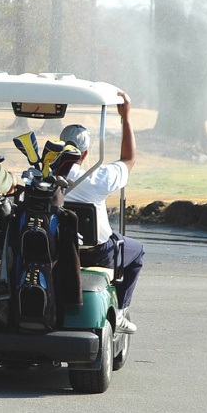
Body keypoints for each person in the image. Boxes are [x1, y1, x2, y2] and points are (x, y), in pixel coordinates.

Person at [59, 91, 144, 334]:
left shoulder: (42, 176)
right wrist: (126, 117)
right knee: (137, 252)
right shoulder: (97, 178)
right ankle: (120, 312)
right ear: (85, 154)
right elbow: (129, 159)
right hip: (96, 253)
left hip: (55, 248)